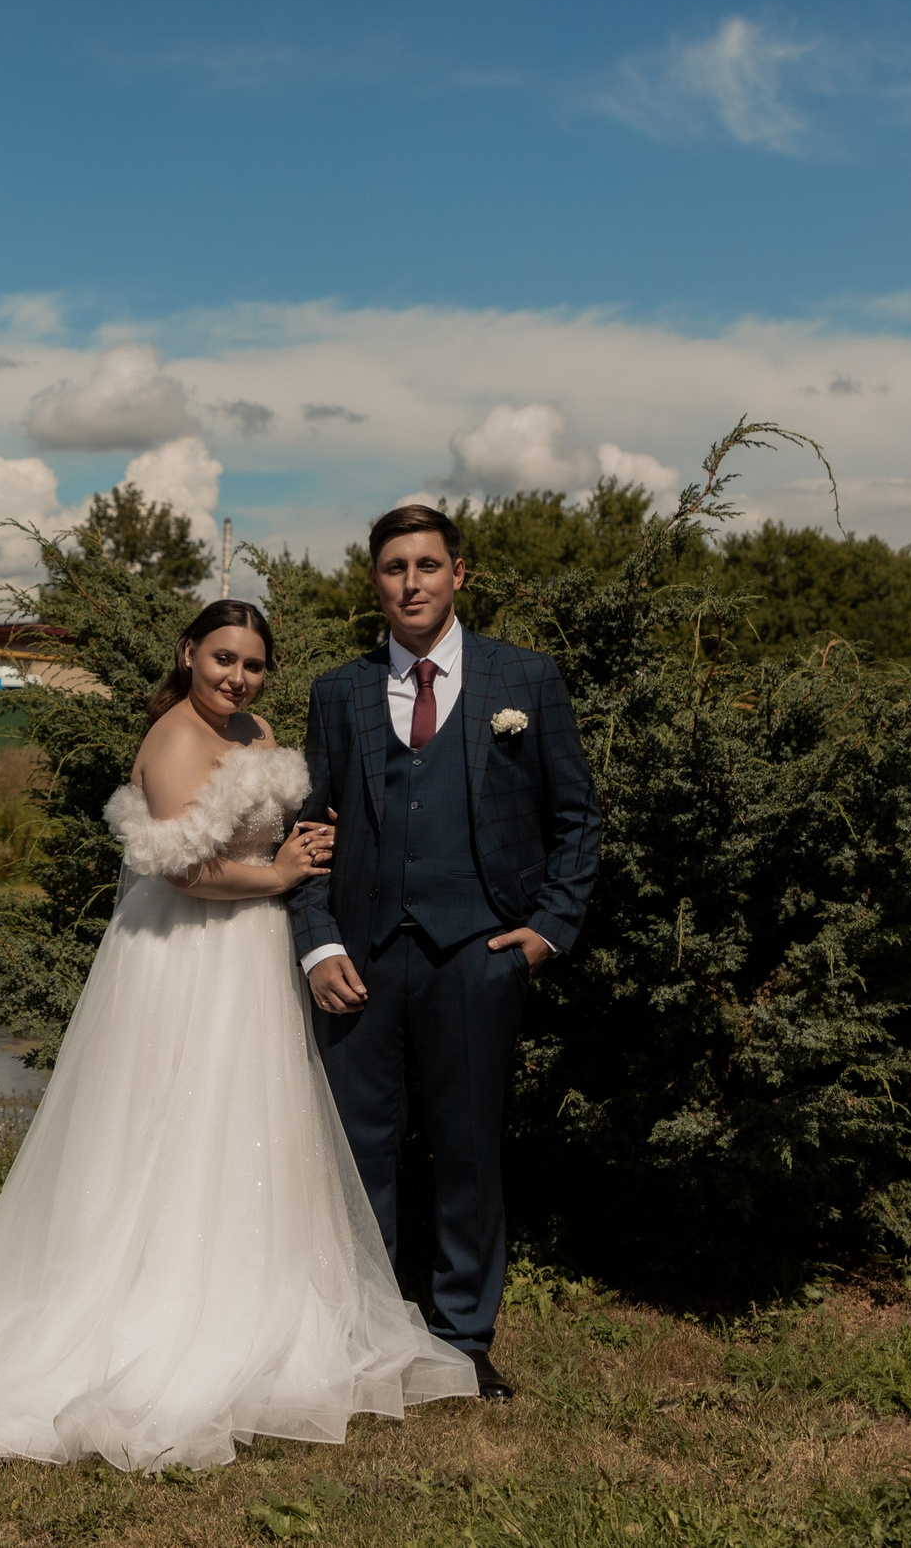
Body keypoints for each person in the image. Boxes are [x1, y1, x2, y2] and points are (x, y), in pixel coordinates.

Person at [0, 599, 480, 1470]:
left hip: (248, 955)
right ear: (188, 653)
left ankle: (258, 1295)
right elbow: (184, 868)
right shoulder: (173, 741)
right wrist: (282, 871)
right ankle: (153, 1308)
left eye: (253, 663)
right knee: (175, 1121)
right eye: (223, 657)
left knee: (244, 1121)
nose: (237, 677)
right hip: (188, 956)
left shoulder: (254, 725)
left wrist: (299, 851)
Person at [292, 504, 604, 1399]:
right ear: (375, 582)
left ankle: (464, 1338)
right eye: (394, 567)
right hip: (364, 953)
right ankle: (366, 1338)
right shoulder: (337, 692)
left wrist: (545, 931)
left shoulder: (526, 677)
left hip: (479, 950)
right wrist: (317, 945)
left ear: (459, 573)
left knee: (468, 1152)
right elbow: (309, 830)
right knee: (361, 1154)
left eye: (428, 564)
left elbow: (577, 817)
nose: (412, 581)